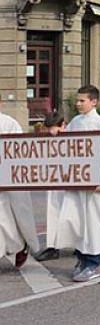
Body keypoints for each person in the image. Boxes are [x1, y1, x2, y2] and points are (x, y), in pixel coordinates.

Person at [55, 85, 100, 282]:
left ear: (94, 102)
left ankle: (92, 262)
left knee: (93, 223)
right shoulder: (75, 121)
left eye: (82, 101)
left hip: (94, 184)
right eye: (77, 100)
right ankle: (81, 258)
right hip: (78, 181)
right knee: (77, 222)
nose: (78, 104)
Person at [0, 99, 39, 269]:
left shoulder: (9, 123)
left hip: (8, 177)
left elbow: (19, 150)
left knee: (11, 218)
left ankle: (22, 245)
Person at [34, 113, 67, 261]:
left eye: (54, 130)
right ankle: (53, 246)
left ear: (63, 126)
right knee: (53, 213)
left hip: (68, 182)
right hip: (55, 181)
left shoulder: (73, 138)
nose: (52, 134)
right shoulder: (47, 139)